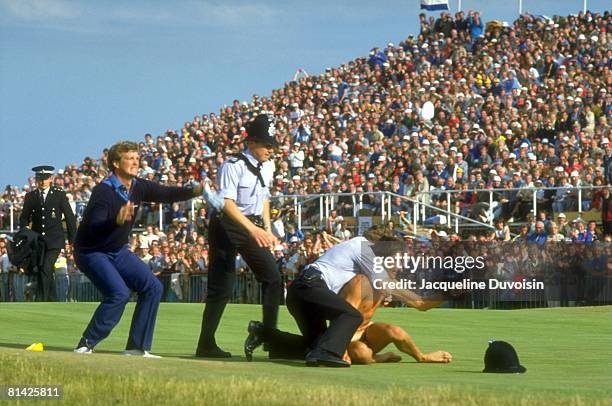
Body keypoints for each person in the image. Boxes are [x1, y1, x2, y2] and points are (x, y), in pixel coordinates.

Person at [73, 141, 203, 358]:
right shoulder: (103, 192)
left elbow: (166, 194)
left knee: (153, 287)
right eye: (130, 158)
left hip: (117, 250)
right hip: (91, 251)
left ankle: (136, 347)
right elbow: (94, 227)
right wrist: (116, 220)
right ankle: (86, 344)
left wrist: (193, 191)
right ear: (116, 163)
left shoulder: (138, 186)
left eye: (136, 158)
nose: (136, 162)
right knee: (119, 293)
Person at [244, 227, 439, 367]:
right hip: (310, 286)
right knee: (352, 315)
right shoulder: (364, 247)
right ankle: (327, 354)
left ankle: (264, 334)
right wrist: (419, 302)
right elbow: (385, 282)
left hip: (301, 292)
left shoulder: (358, 249)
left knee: (315, 345)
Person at [195, 114, 282, 358]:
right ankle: (205, 344)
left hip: (251, 223)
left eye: (272, 144)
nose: (270, 149)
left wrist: (266, 228)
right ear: (252, 142)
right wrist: (253, 230)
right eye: (267, 144)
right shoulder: (232, 165)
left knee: (273, 278)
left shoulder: (269, 165)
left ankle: (270, 338)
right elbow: (227, 204)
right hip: (227, 224)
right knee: (221, 286)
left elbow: (264, 198)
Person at [19, 165, 77, 301]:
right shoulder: (31, 197)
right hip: (38, 242)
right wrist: (25, 231)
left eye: (45, 178)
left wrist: (72, 240)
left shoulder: (59, 194)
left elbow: (69, 217)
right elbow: (24, 217)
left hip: (55, 241)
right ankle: (53, 301)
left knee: (46, 267)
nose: (42, 181)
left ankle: (41, 300)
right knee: (42, 271)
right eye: (39, 178)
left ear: (50, 179)